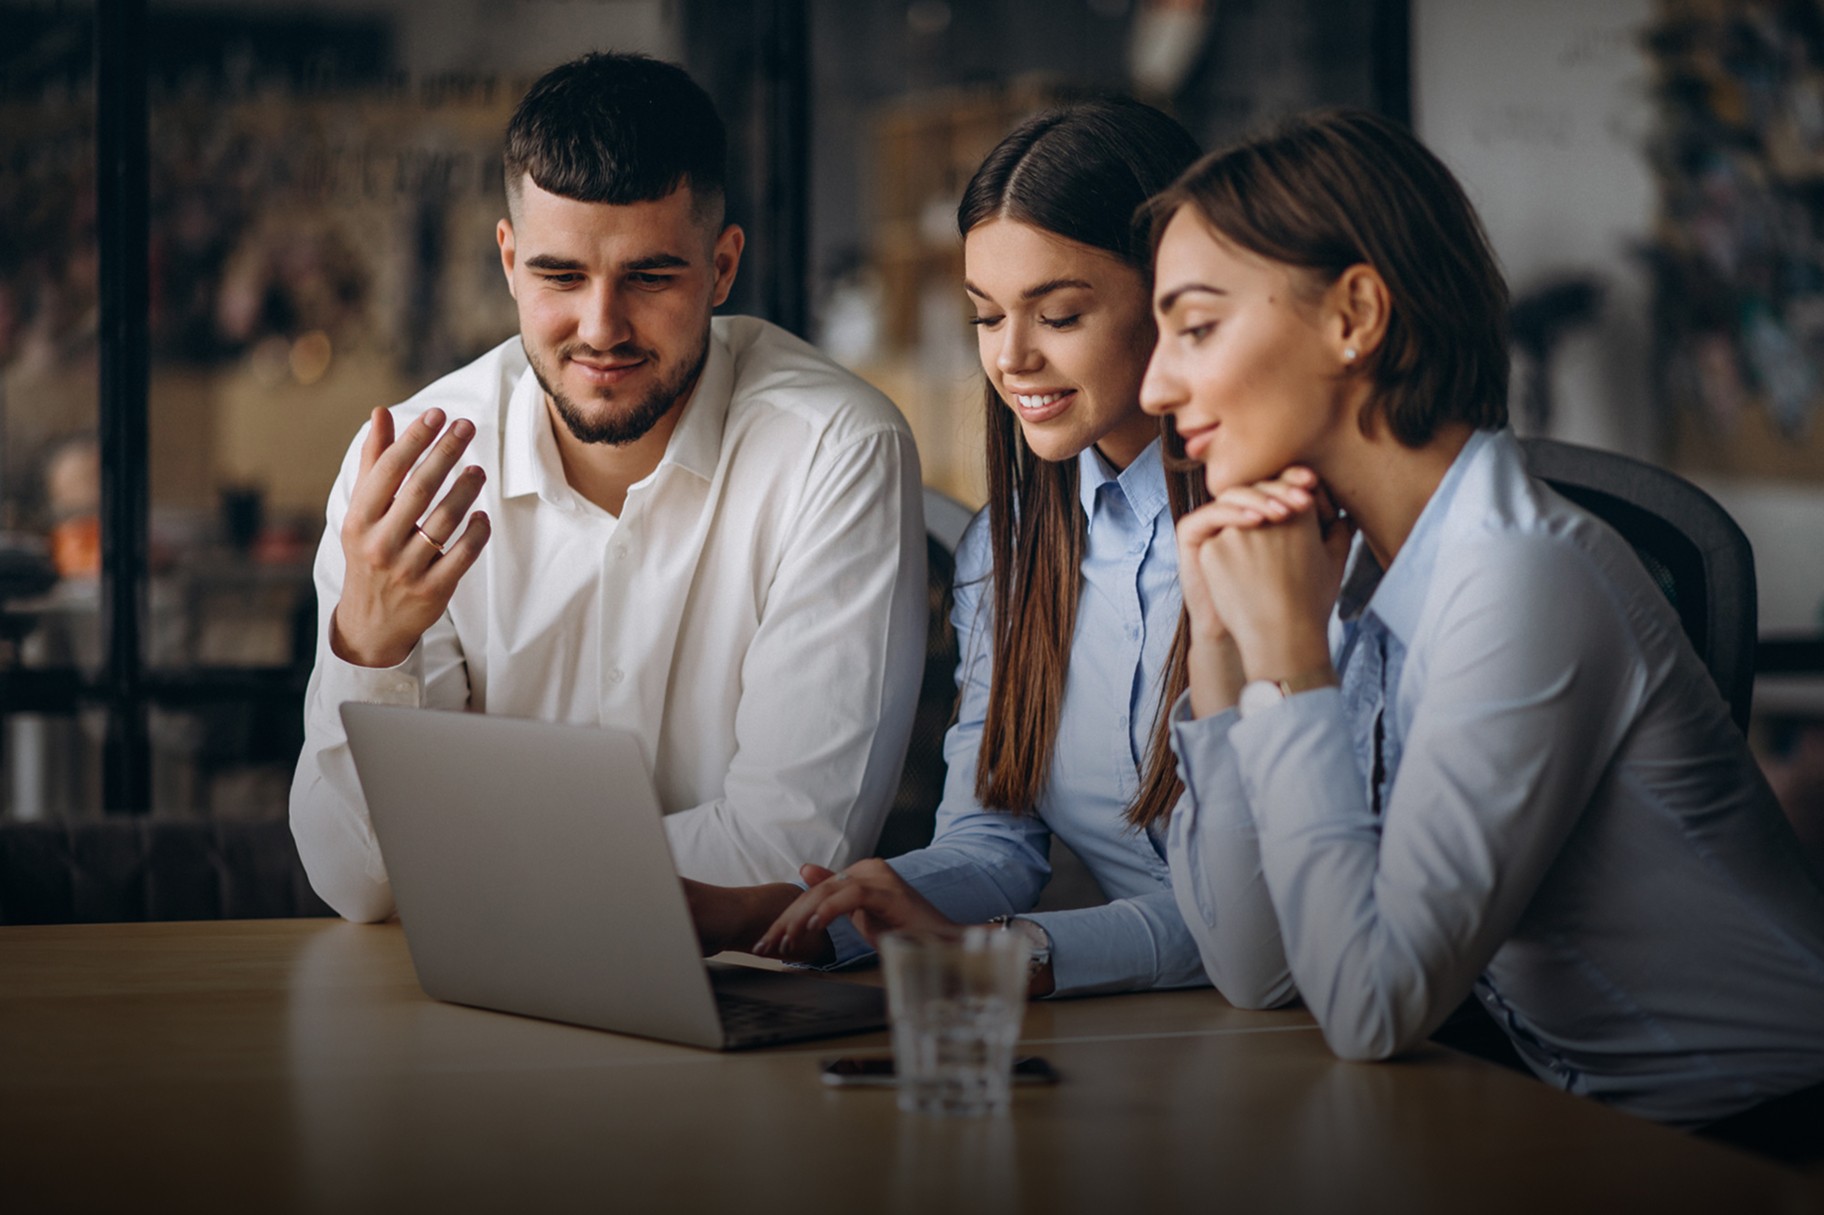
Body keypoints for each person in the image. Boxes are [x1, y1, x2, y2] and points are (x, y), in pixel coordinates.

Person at [1141, 108, 1824, 1126]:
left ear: (1354, 315)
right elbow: (1255, 967)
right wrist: (1226, 649)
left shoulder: (1519, 575)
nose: (1156, 383)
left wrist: (1291, 657)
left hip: (1763, 1135)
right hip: (1588, 1126)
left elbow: (1372, 1007)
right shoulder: (1346, 566)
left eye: (1195, 327)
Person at [290, 52, 926, 923]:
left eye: (650, 276)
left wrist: (458, 867)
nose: (601, 329)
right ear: (509, 261)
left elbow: (790, 855)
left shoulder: (835, 450)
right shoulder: (402, 476)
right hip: (458, 1014)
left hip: (742, 1014)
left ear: (724, 266)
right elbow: (359, 881)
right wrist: (370, 644)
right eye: (560, 276)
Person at [695, 98, 1210, 998]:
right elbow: (993, 843)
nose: (1010, 358)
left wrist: (1016, 955)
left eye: (1057, 314)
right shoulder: (1006, 554)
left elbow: (1263, 926)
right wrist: (813, 919)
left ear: (1176, 301)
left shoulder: (1281, 547)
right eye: (985, 315)